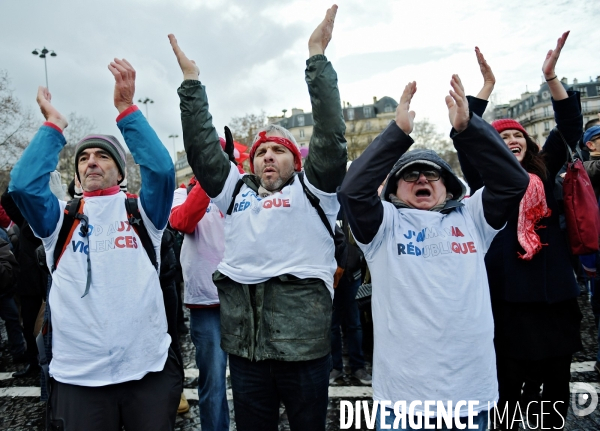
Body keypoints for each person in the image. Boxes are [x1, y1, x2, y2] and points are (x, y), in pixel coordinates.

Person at [169, 5, 346, 430]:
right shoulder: (237, 194)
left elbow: (330, 134)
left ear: (297, 162)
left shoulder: (315, 191)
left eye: (279, 150)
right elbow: (204, 155)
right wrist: (192, 85)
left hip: (303, 353)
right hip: (246, 353)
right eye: (262, 151)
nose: (268, 156)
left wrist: (316, 56)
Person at [338, 74, 529, 430]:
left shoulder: (473, 216)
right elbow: (351, 192)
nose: (422, 179)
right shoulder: (383, 224)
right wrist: (396, 133)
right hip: (401, 404)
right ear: (394, 189)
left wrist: (469, 128)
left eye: (432, 174)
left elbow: (514, 181)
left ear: (449, 185)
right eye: (411, 175)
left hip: (471, 397)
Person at [8, 58, 181, 431]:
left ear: (120, 171)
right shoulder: (59, 219)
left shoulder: (143, 212)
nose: (91, 163)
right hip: (78, 378)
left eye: (102, 156)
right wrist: (54, 126)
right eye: (84, 158)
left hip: (146, 371)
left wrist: (127, 111)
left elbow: (163, 170)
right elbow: (21, 185)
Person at [458, 32, 583, 430]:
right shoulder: (484, 177)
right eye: (502, 136)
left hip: (553, 295)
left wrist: (550, 77)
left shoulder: (545, 168)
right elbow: (464, 136)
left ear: (527, 144)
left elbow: (568, 125)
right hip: (507, 298)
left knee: (555, 390)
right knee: (512, 392)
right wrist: (485, 89)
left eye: (516, 136)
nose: (510, 139)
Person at [169, 171, 233, 430]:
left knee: (251, 381)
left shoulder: (236, 187)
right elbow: (182, 221)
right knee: (214, 382)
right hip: (206, 303)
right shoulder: (181, 193)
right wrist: (210, 181)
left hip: (242, 298)